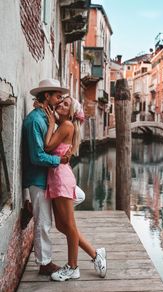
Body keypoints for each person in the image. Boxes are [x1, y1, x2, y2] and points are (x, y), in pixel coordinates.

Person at [43, 96, 107, 281]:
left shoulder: (67, 126)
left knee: (69, 227)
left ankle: (73, 267)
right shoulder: (63, 126)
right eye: (61, 101)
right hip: (56, 177)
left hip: (61, 178)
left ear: (70, 112)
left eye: (65, 104)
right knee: (61, 225)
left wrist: (51, 123)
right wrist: (54, 124)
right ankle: (95, 254)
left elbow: (47, 147)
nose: (60, 105)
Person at [22, 79, 70, 276]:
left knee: (76, 197)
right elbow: (37, 156)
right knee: (44, 224)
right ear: (46, 96)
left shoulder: (46, 117)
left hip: (48, 178)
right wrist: (59, 160)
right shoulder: (34, 120)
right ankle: (44, 263)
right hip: (38, 178)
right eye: (57, 95)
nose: (60, 98)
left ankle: (32, 209)